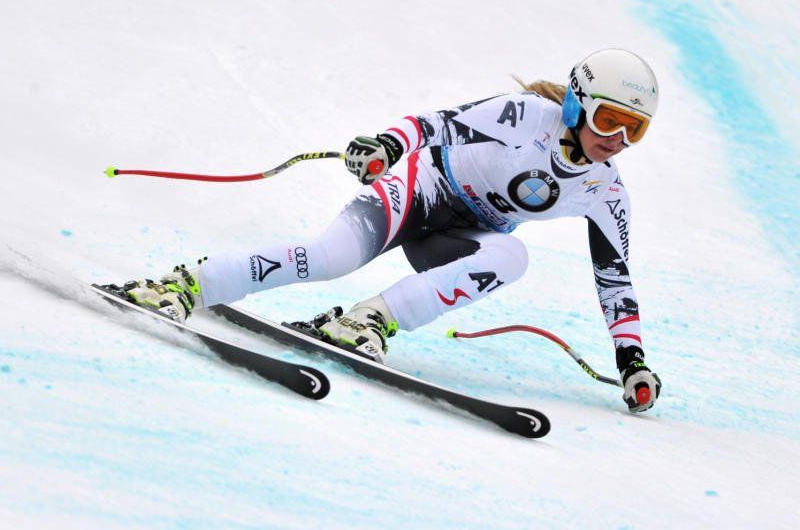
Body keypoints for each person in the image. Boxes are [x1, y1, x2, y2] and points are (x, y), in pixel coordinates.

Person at [119, 48, 662, 412]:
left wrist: (631, 361)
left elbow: (615, 281)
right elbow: (433, 124)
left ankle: (369, 320)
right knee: (330, 258)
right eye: (609, 120)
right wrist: (386, 146)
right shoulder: (525, 116)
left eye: (633, 128)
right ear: (576, 104)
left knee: (512, 258)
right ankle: (183, 285)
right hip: (419, 191)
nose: (617, 139)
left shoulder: (605, 192)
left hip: (454, 240)